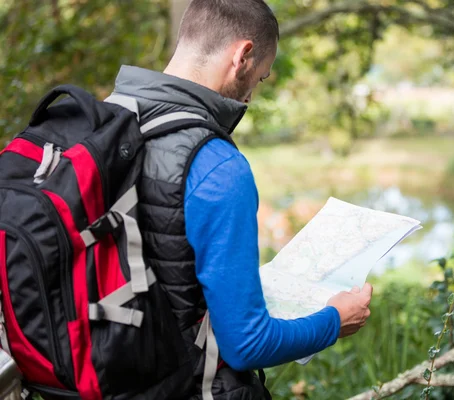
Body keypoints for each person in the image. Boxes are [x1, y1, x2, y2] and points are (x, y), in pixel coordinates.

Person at [108, 0, 373, 398]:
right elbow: (248, 345)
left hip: (101, 374)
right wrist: (336, 319)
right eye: (260, 79)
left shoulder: (102, 124)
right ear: (243, 55)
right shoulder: (217, 166)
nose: (250, 97)